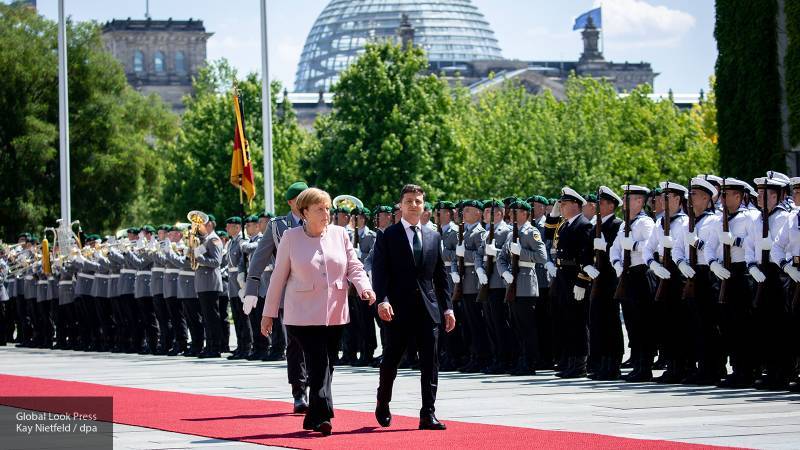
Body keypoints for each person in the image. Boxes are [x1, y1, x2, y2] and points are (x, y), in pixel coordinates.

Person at [261, 187, 375, 436]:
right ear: (304, 212)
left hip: (335, 312)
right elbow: (278, 278)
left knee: (328, 365)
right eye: (319, 209)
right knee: (318, 363)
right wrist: (268, 313)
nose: (326, 213)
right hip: (301, 315)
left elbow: (354, 265)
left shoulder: (340, 234)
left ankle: (313, 415)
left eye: (327, 208)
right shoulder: (290, 237)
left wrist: (364, 286)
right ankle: (324, 416)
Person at [372, 184, 455, 431]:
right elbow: (380, 273)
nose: (414, 205)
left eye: (418, 201)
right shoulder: (388, 235)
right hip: (398, 310)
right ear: (401, 205)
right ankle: (383, 401)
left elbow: (441, 275)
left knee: (430, 363)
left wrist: (448, 308)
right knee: (391, 361)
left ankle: (427, 413)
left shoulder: (433, 235)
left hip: (428, 310)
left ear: (424, 205)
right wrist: (382, 300)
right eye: (409, 201)